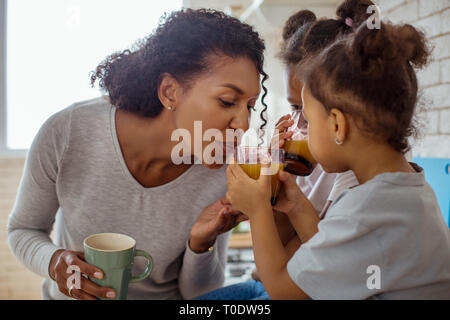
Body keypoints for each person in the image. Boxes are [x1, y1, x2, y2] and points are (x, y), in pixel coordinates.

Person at [7, 9, 269, 300]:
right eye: (227, 101)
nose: (243, 124)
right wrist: (54, 261)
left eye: (249, 106)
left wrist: (200, 243)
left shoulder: (221, 171)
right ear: (170, 91)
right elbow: (23, 230)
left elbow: (200, 295)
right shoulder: (68, 132)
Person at [225, 19, 450, 299]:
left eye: (306, 117)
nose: (301, 127)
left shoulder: (367, 211)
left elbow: (284, 291)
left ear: (336, 125)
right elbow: (332, 249)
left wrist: (258, 210)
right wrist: (296, 205)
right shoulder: (405, 191)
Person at [195, 0, 369, 300]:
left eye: (307, 109)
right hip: (266, 282)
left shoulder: (351, 182)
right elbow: (275, 251)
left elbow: (294, 277)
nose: (300, 124)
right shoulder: (304, 164)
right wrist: (274, 176)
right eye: (293, 107)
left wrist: (260, 207)